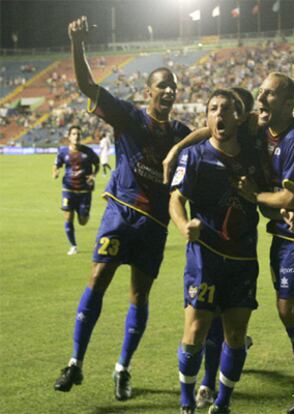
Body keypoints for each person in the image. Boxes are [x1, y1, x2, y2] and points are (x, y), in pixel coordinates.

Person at [54, 16, 191, 401]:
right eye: (163, 85)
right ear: (149, 91)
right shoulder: (128, 116)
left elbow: (207, 141)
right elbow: (86, 85)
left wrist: (184, 146)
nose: (169, 91)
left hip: (154, 226)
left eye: (174, 88)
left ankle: (122, 369)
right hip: (120, 214)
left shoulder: (180, 133)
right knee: (97, 279)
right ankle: (75, 363)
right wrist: (77, 43)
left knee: (139, 297)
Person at [237, 72, 294, 413]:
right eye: (260, 92)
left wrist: (256, 196)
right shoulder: (263, 128)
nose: (260, 99)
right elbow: (217, 128)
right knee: (291, 311)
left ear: (290, 103)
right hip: (283, 234)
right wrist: (177, 149)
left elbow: (290, 199)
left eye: (270, 95)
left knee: (289, 310)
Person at [169, 89, 265, 414]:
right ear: (207, 118)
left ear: (239, 117)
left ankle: (222, 403)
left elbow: (269, 197)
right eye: (213, 109)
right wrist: (184, 227)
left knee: (236, 335)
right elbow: (176, 199)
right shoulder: (195, 156)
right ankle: (186, 400)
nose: (219, 114)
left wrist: (268, 202)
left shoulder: (254, 155)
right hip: (205, 257)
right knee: (195, 331)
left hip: (242, 258)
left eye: (226, 109)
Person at [52, 125, 99, 255]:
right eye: (73, 134)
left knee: (82, 221)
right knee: (68, 217)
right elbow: (56, 164)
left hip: (84, 191)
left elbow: (97, 164)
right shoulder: (63, 152)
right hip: (68, 190)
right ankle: (73, 246)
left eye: (78, 134)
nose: (76, 136)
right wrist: (55, 172)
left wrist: (93, 175)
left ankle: (84, 213)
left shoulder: (88, 152)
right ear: (69, 137)